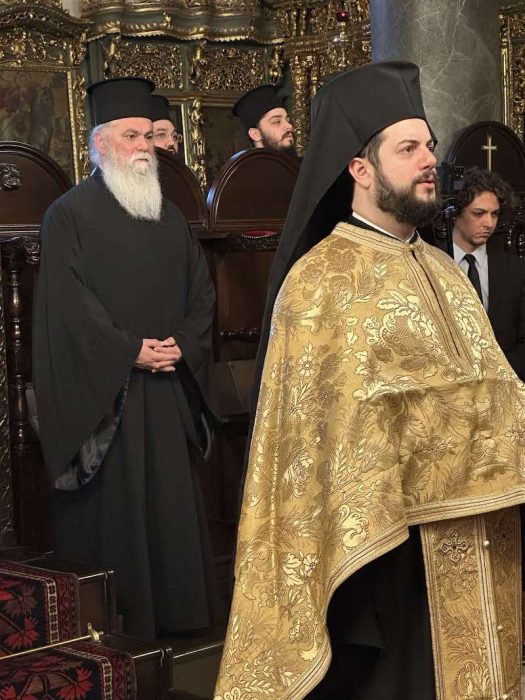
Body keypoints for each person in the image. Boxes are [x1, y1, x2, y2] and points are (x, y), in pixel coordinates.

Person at [214, 62, 525, 700]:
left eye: (429, 146)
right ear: (360, 168)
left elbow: (494, 386)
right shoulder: (319, 282)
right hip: (385, 560)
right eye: (408, 149)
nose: (429, 161)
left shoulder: (444, 270)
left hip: (474, 537)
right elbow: (313, 444)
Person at [33, 77, 220, 640]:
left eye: (148, 135)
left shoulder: (170, 215)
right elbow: (67, 306)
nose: (144, 146)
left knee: (170, 507)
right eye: (130, 135)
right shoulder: (67, 215)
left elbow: (202, 292)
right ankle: (115, 625)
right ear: (100, 143)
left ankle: (182, 617)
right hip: (106, 402)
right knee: (116, 515)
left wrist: (181, 345)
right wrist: (128, 350)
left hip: (167, 389)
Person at [443, 167, 525, 381]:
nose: (489, 223)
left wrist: (497, 378)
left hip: (506, 385)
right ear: (455, 214)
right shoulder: (433, 263)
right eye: (479, 213)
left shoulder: (515, 269)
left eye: (494, 214)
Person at [232, 85, 295, 153]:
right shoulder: (245, 160)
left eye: (288, 121)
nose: (289, 126)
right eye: (277, 122)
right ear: (255, 134)